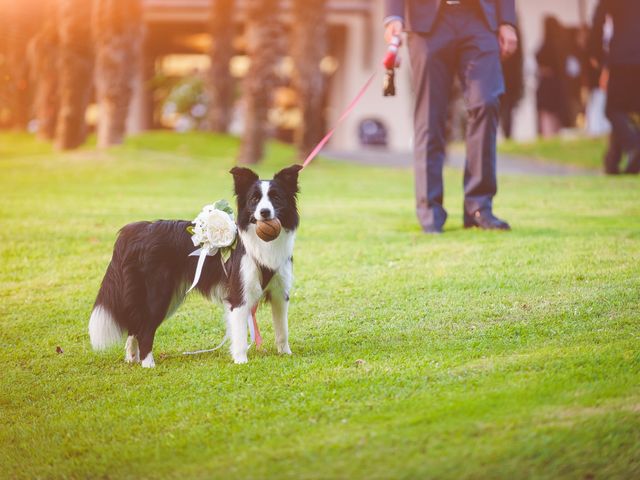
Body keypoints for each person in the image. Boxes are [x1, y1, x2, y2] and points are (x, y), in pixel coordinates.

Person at [384, 0, 518, 233]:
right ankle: (430, 212)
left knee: (486, 102)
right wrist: (393, 16)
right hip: (427, 21)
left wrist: (506, 20)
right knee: (428, 114)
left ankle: (479, 208)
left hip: (479, 18)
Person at [589, 0, 640, 175]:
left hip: (623, 58)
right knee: (626, 111)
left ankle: (634, 145)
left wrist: (595, 53)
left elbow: (598, 21)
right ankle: (613, 161)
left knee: (613, 109)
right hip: (627, 57)